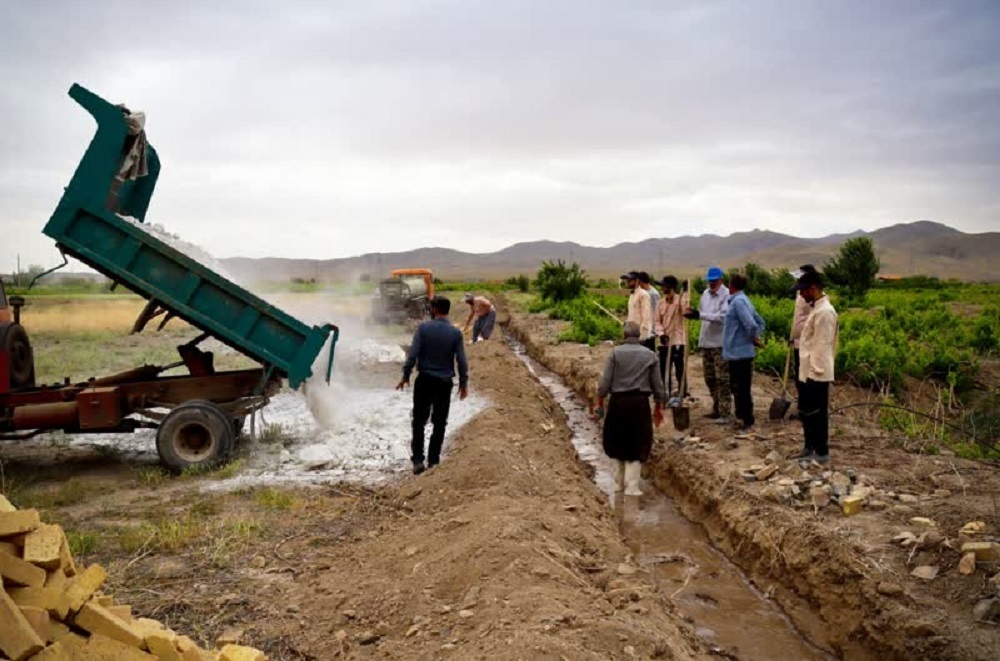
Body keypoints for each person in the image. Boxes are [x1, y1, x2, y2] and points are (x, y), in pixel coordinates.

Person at [397, 297, 469, 474]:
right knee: (439, 423)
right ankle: (434, 461)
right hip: (444, 383)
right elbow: (461, 360)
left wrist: (406, 375)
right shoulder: (455, 333)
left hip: (425, 380)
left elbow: (412, 355)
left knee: (419, 421)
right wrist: (463, 383)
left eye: (431, 307)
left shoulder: (423, 329)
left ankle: (418, 461)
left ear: (435, 309)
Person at [594, 321, 665, 496]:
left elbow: (604, 384)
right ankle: (632, 487)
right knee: (637, 442)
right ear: (639, 336)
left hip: (618, 403)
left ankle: (618, 485)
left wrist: (599, 403)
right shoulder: (650, 355)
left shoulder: (615, 353)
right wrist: (659, 407)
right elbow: (658, 386)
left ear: (623, 336)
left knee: (617, 440)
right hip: (639, 404)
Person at [795, 271, 838, 463]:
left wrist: (814, 374)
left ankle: (821, 451)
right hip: (808, 371)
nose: (801, 295)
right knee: (807, 411)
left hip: (817, 373)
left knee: (817, 413)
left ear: (813, 288)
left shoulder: (825, 312)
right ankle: (809, 446)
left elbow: (821, 347)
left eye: (803, 291)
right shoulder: (816, 309)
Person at [684, 266, 732, 423]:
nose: (711, 283)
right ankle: (716, 408)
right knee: (709, 378)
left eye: (714, 281)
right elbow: (702, 313)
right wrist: (694, 315)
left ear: (721, 280)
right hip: (706, 342)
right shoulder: (705, 294)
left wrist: (700, 315)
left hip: (720, 343)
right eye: (709, 281)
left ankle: (725, 413)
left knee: (722, 379)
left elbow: (722, 317)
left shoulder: (726, 295)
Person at [722, 274, 766, 433]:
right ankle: (741, 417)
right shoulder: (743, 299)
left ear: (730, 285)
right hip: (739, 353)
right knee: (739, 388)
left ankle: (747, 420)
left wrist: (751, 338)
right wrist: (753, 338)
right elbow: (761, 322)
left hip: (739, 353)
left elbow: (753, 325)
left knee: (741, 388)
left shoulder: (739, 302)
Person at [656, 275, 688, 395]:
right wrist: (661, 334)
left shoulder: (680, 301)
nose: (662, 288)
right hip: (665, 342)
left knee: (680, 369)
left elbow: (686, 311)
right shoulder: (660, 303)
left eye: (664, 286)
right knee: (664, 370)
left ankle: (682, 393)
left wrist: (685, 293)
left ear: (671, 287)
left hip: (678, 341)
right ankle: (665, 393)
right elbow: (657, 321)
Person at [790, 264, 818, 394]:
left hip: (807, 342)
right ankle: (801, 403)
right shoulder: (800, 293)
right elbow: (798, 317)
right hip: (797, 341)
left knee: (806, 375)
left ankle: (806, 406)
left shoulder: (814, 296)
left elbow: (814, 319)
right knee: (799, 373)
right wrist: (792, 337)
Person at [621, 271, 653, 347]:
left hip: (641, 336)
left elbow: (646, 317)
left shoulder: (643, 294)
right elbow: (632, 315)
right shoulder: (632, 295)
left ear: (637, 281)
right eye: (627, 280)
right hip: (632, 335)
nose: (628, 282)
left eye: (630, 280)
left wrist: (642, 336)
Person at [638, 272, 659, 351]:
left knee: (649, 352)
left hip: (650, 330)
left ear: (641, 282)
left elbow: (655, 312)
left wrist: (654, 330)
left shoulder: (653, 294)